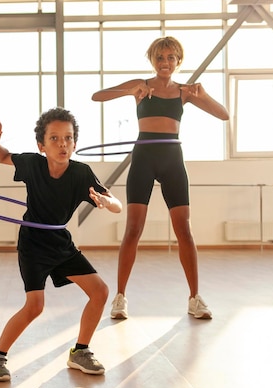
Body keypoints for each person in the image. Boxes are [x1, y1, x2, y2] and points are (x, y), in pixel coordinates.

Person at [91, 36, 229, 320]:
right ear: (152, 60)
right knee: (132, 230)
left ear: (178, 61)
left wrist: (203, 94)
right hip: (143, 158)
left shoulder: (185, 91)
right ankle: (120, 298)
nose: (165, 63)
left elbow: (224, 115)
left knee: (184, 231)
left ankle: (194, 298)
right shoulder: (140, 86)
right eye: (159, 58)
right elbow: (97, 96)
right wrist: (131, 88)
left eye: (170, 58)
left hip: (172, 160)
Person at [0, 107, 123, 381]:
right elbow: (2, 157)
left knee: (101, 291)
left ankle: (80, 351)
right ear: (42, 145)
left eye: (68, 138)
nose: (62, 144)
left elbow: (117, 205)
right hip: (33, 244)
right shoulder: (33, 164)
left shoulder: (82, 173)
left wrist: (107, 202)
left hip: (60, 242)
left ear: (75, 143)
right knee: (35, 306)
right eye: (55, 139)